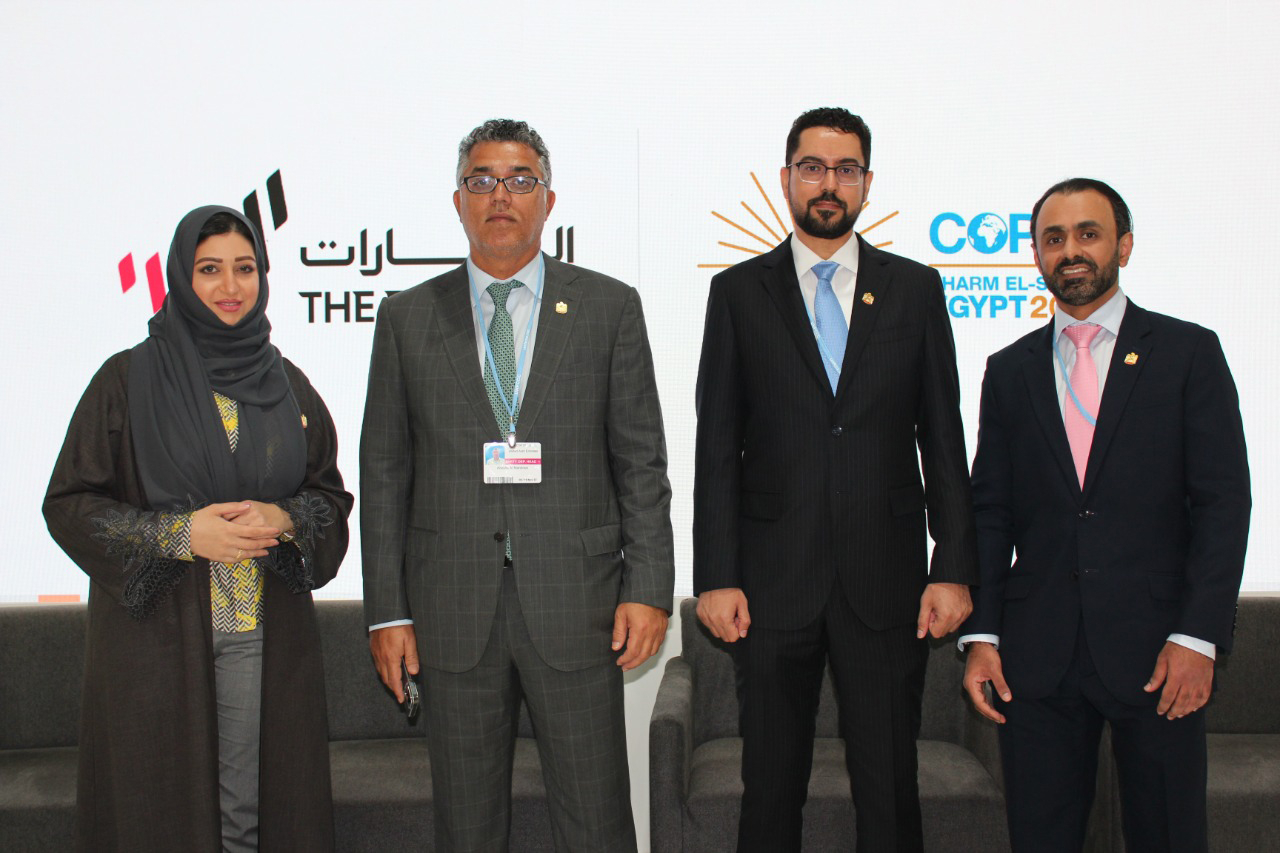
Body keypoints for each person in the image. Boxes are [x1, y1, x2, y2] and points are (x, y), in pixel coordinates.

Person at [361, 119, 674, 852]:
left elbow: (640, 462)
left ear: (548, 199)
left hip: (578, 602)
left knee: (596, 821)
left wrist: (649, 586)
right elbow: (384, 473)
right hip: (450, 608)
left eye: (520, 180)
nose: (500, 195)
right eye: (482, 180)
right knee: (467, 827)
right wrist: (386, 612)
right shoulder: (407, 317)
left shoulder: (608, 308)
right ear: (458, 201)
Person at [693, 107, 979, 853]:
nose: (829, 183)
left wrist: (953, 566)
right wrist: (716, 575)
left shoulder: (915, 289)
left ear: (867, 183)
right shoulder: (738, 293)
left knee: (890, 791)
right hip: (771, 584)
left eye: (845, 169)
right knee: (769, 789)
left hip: (886, 581)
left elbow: (942, 438)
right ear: (786, 178)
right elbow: (717, 446)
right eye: (813, 168)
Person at [44, 206, 352, 852]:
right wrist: (182, 535)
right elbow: (69, 503)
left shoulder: (287, 384)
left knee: (248, 815)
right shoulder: (126, 380)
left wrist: (284, 518)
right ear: (181, 278)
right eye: (209, 269)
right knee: (158, 811)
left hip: (259, 635)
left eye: (245, 268)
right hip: (155, 643)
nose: (230, 286)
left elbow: (328, 493)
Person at [959, 178, 1251, 853]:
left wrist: (1199, 636)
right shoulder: (1009, 370)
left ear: (1123, 245)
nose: (1071, 251)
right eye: (1053, 238)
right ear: (1036, 255)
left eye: (1088, 234)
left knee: (1170, 835)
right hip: (1036, 656)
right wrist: (983, 634)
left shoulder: (1188, 353)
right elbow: (990, 513)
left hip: (1161, 652)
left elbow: (1223, 503)